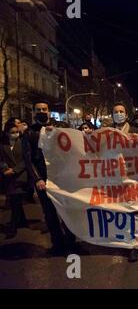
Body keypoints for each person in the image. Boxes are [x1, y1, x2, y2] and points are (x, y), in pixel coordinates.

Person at [24, 101, 76, 255]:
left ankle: (71, 241)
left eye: (44, 109)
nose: (42, 111)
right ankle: (58, 244)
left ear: (49, 111)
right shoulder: (29, 133)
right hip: (44, 180)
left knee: (67, 211)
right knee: (50, 213)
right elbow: (28, 159)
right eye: (38, 109)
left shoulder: (61, 127)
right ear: (34, 112)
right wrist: (37, 178)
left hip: (62, 178)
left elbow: (73, 146)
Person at [110, 102, 138, 262]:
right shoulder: (105, 133)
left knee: (133, 210)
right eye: (116, 111)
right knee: (119, 210)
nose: (119, 114)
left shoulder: (136, 131)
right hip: (114, 177)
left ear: (126, 113)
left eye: (121, 111)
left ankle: (134, 246)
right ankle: (124, 240)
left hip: (133, 175)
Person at [0, 122, 36, 239]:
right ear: (6, 133)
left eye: (17, 132)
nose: (15, 134)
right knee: (16, 201)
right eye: (12, 132)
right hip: (8, 177)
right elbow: (1, 159)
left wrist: (15, 170)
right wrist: (5, 169)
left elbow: (26, 159)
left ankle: (12, 227)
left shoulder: (23, 143)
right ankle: (22, 221)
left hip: (21, 175)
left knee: (14, 201)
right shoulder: (3, 145)